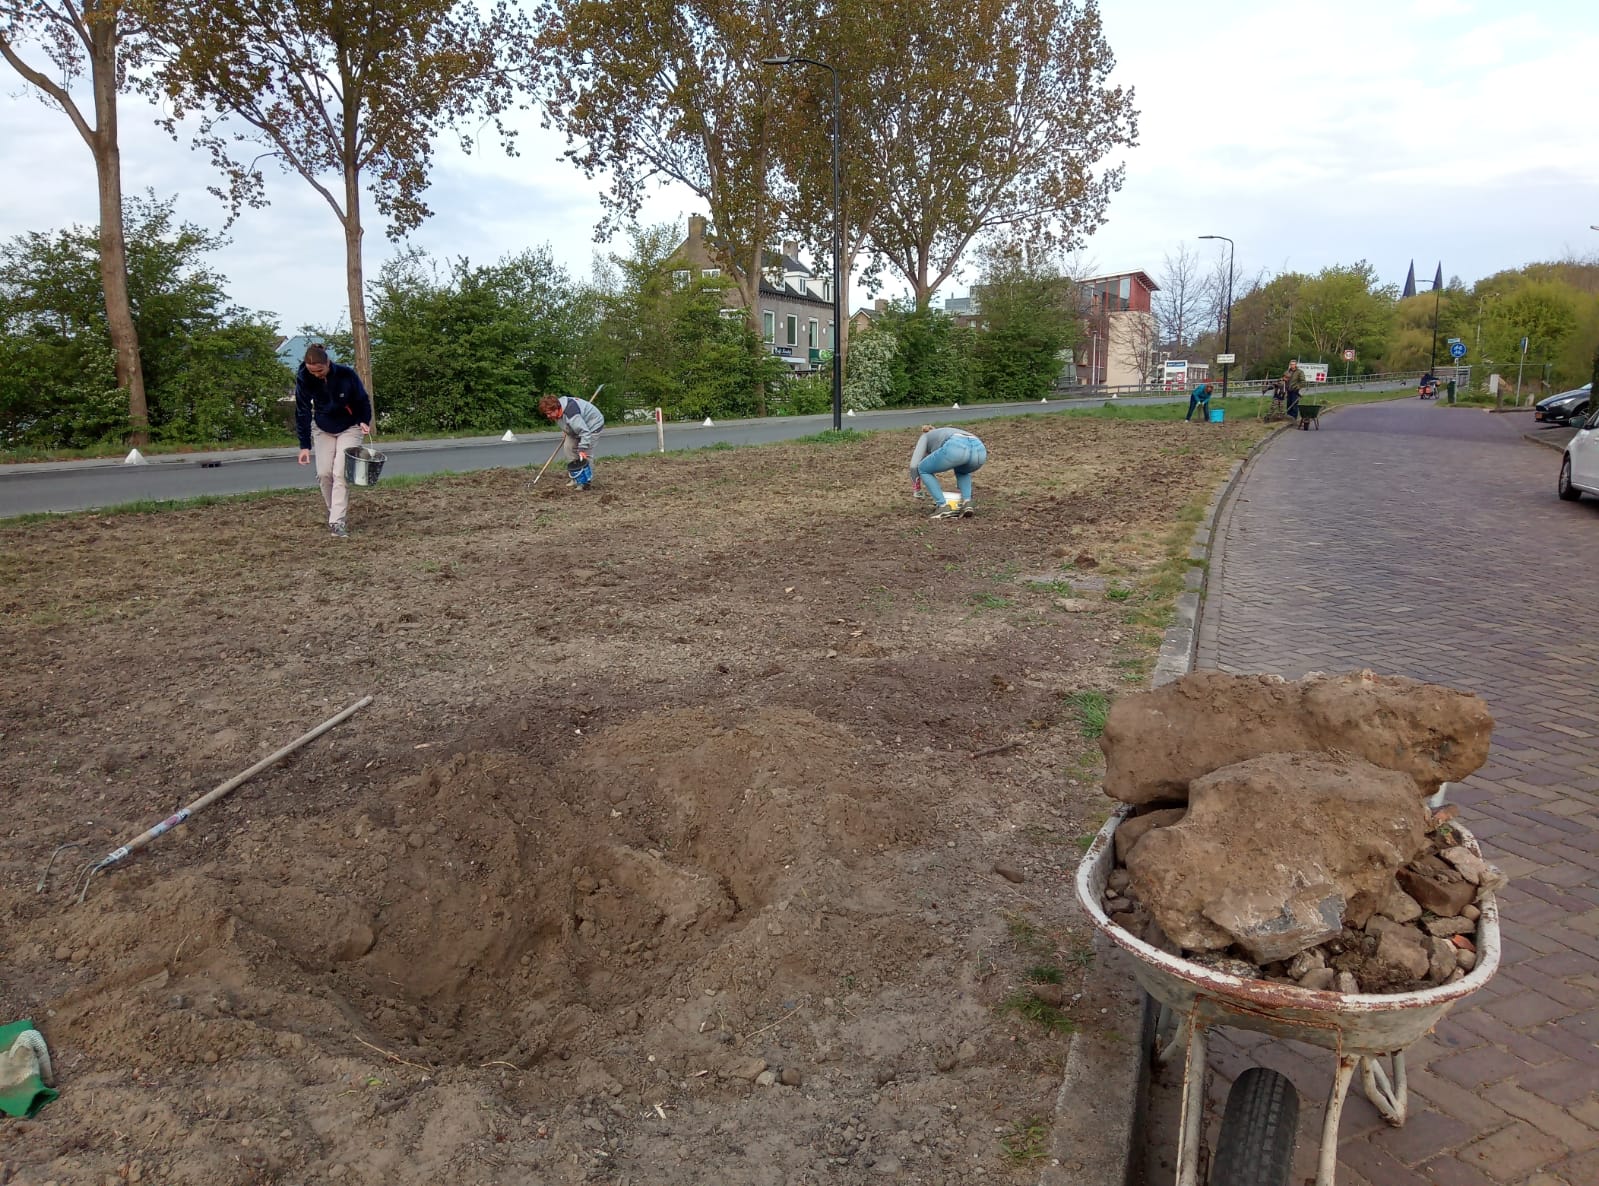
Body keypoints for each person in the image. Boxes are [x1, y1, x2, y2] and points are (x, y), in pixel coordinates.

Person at [294, 343, 372, 538]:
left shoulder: (346, 374)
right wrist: (304, 446)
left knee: (340, 472)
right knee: (324, 473)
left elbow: (362, 399)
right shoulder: (304, 378)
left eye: (320, 370)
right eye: (312, 371)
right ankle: (333, 512)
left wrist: (364, 420)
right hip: (323, 427)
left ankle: (337, 522)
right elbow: (302, 411)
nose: (316, 375)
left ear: (328, 363)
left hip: (350, 426)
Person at [909, 424, 987, 519]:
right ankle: (967, 503)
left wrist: (917, 490)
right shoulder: (945, 432)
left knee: (923, 469)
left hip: (956, 446)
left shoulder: (925, 436)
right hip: (980, 450)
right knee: (962, 471)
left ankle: (942, 506)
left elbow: (913, 466)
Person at [539, 391, 605, 490]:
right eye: (546, 414)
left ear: (556, 408)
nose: (548, 416)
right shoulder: (556, 409)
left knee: (585, 455)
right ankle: (576, 477)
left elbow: (584, 432)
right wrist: (567, 430)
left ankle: (586, 482)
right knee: (568, 448)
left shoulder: (571, 414)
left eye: (549, 413)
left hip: (592, 426)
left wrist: (582, 448)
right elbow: (565, 422)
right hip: (576, 427)